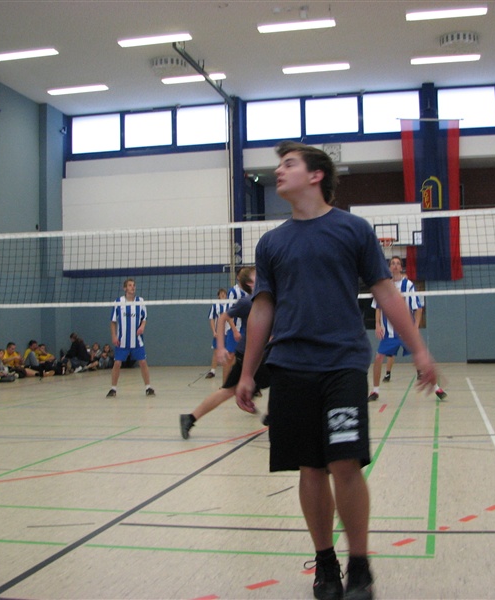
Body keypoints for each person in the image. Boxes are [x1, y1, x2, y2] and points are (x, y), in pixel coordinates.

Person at [236, 141, 438, 600]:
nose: (279, 171)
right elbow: (262, 310)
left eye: (289, 164)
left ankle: (359, 565)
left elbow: (386, 293)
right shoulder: (271, 243)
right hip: (290, 366)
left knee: (345, 463)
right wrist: (248, 373)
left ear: (316, 175)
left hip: (343, 363)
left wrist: (420, 351)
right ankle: (325, 563)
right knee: (310, 467)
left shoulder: (353, 229)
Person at [180, 271, 266, 439]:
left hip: (262, 355)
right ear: (250, 284)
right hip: (247, 356)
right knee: (228, 391)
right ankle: (189, 418)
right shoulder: (247, 302)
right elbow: (222, 318)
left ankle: (255, 398)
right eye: (256, 275)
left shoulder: (267, 299)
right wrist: (220, 347)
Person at [368, 256, 447, 402]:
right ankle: (375, 391)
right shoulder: (384, 284)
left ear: (401, 267)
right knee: (378, 358)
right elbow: (378, 307)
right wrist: (377, 324)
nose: (395, 266)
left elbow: (418, 308)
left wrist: (415, 327)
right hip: (389, 333)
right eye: (392, 263)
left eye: (398, 263)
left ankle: (436, 387)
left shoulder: (408, 285)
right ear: (389, 267)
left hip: (405, 332)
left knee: (422, 358)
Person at [106, 278, 155, 398]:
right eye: (130, 285)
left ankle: (148, 387)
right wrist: (114, 336)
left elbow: (144, 318)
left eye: (134, 285)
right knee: (117, 363)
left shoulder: (140, 301)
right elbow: (113, 321)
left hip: (137, 340)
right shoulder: (118, 302)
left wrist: (142, 326)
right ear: (125, 288)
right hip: (122, 341)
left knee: (143, 362)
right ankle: (113, 389)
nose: (132, 287)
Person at [205, 287, 228, 379]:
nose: (223, 295)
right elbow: (211, 319)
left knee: (230, 352)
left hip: (228, 332)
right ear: (218, 296)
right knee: (216, 351)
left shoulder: (230, 304)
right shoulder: (215, 305)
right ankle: (212, 371)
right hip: (219, 333)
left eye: (224, 293)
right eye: (221, 293)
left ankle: (230, 371)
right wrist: (214, 331)